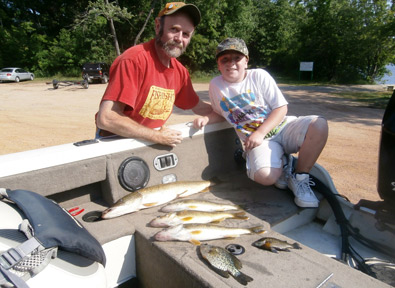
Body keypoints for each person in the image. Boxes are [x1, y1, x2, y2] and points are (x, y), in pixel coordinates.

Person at [193, 38, 329, 208]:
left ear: (246, 61)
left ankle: (300, 177)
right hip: (260, 142)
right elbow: (221, 113)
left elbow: (281, 108)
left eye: (237, 58)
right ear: (218, 64)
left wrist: (260, 132)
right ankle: (284, 164)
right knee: (265, 177)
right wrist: (206, 119)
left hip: (282, 128)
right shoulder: (215, 85)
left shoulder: (259, 75)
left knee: (319, 125)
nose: (231, 63)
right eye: (225, 59)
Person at [96, 2, 212, 147]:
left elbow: (199, 107)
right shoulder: (133, 60)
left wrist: (232, 112)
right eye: (174, 29)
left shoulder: (180, 72)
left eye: (186, 34)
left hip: (150, 141)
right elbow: (107, 118)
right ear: (158, 27)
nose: (179, 38)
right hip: (116, 144)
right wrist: (156, 136)